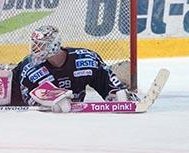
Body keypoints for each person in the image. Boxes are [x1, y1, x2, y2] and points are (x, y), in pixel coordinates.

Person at [10, 25, 138, 111]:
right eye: (34, 45)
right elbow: (28, 100)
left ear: (54, 45)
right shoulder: (31, 69)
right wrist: (50, 102)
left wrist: (116, 93)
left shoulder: (86, 59)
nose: (35, 49)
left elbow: (104, 78)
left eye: (40, 45)